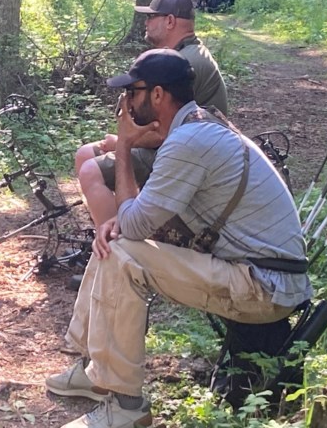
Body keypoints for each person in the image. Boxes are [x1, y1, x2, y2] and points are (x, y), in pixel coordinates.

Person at [46, 49, 312, 428]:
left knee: (123, 252)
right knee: (113, 241)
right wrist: (121, 221)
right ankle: (94, 373)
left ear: (157, 95)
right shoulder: (199, 127)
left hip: (263, 287)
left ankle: (125, 406)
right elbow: (141, 220)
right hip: (256, 274)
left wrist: (123, 144)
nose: (125, 105)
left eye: (131, 93)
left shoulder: (188, 142)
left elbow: (135, 225)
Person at [74, 0, 228, 207]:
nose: (146, 21)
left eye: (151, 16)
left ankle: (118, 237)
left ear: (170, 21)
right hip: (174, 145)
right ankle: (116, 224)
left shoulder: (185, 64)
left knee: (91, 168)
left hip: (185, 155)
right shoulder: (184, 55)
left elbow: (163, 131)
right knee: (85, 155)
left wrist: (122, 143)